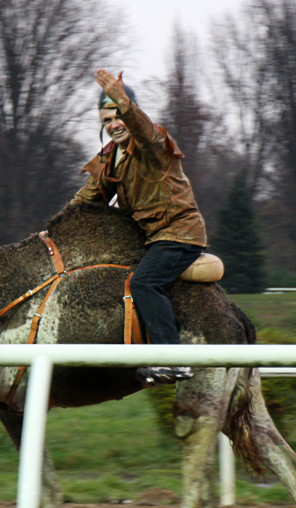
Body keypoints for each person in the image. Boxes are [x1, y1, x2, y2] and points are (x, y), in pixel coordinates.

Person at [69, 69, 207, 388]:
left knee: (144, 282)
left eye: (119, 116)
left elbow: (142, 129)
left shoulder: (153, 142)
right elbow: (85, 202)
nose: (114, 124)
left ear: (130, 114)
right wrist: (52, 232)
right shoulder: (108, 158)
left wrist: (123, 100)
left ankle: (172, 362)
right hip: (150, 239)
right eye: (106, 120)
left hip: (178, 234)